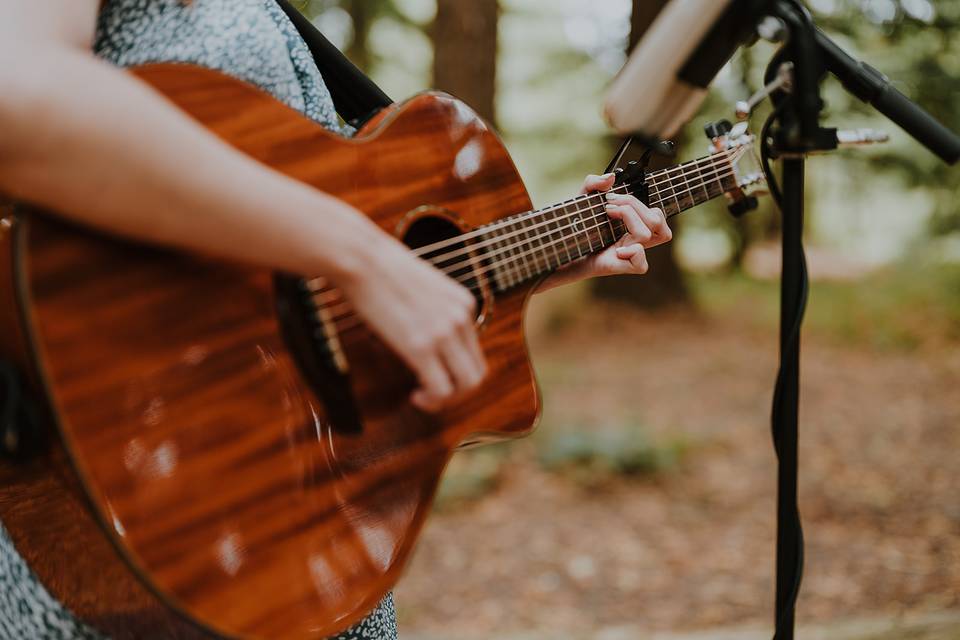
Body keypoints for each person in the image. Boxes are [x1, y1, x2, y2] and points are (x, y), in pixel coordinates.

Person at [0, 1, 671, 638]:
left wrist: (529, 261)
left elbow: (296, 264)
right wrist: (361, 257)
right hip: (129, 510)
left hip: (299, 528)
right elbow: (17, 95)